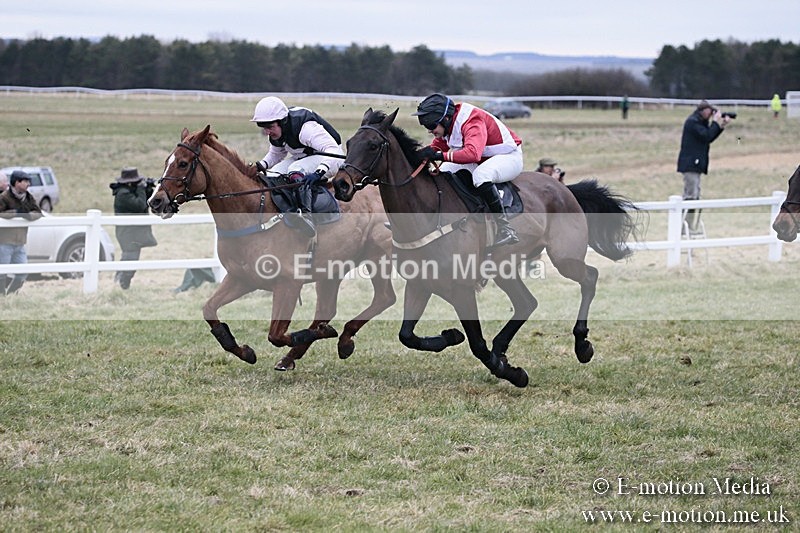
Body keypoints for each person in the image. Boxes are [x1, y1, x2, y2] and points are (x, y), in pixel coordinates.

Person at [413, 93, 522, 248]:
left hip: (508, 157)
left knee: (481, 176)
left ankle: (505, 228)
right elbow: (437, 147)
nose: (429, 131)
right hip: (481, 160)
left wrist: (439, 155)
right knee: (442, 173)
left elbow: (472, 153)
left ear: (445, 119)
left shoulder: (471, 120)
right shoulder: (449, 123)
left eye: (431, 126)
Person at [250, 96, 345, 238]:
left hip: (331, 157)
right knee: (272, 175)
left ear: (282, 122)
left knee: (295, 170)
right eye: (264, 128)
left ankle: (306, 216)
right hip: (305, 157)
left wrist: (319, 172)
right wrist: (261, 165)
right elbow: (276, 154)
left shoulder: (305, 128)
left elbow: (332, 150)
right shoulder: (278, 132)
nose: (267, 132)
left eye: (270, 127)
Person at [676, 100, 732, 233]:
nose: (711, 113)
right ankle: (685, 227)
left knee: (695, 196)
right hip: (690, 164)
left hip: (696, 165)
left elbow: (710, 136)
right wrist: (715, 122)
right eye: (709, 111)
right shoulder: (693, 122)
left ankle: (688, 227)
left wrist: (721, 125)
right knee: (691, 196)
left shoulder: (699, 122)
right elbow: (706, 135)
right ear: (703, 110)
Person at [110, 167, 157, 289]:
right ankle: (122, 284)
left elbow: (148, 200)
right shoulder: (123, 194)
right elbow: (140, 205)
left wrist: (149, 189)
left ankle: (118, 284)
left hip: (133, 233)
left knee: (129, 259)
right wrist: (141, 188)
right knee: (130, 259)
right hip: (127, 233)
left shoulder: (129, 191)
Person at [0, 170, 42, 295]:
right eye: (25, 181)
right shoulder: (4, 197)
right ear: (17, 183)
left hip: (20, 242)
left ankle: (11, 294)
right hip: (4, 242)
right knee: (2, 272)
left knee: (23, 271)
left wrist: (28, 216)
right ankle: (2, 296)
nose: (28, 184)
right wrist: (15, 214)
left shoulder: (28, 197)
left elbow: (38, 212)